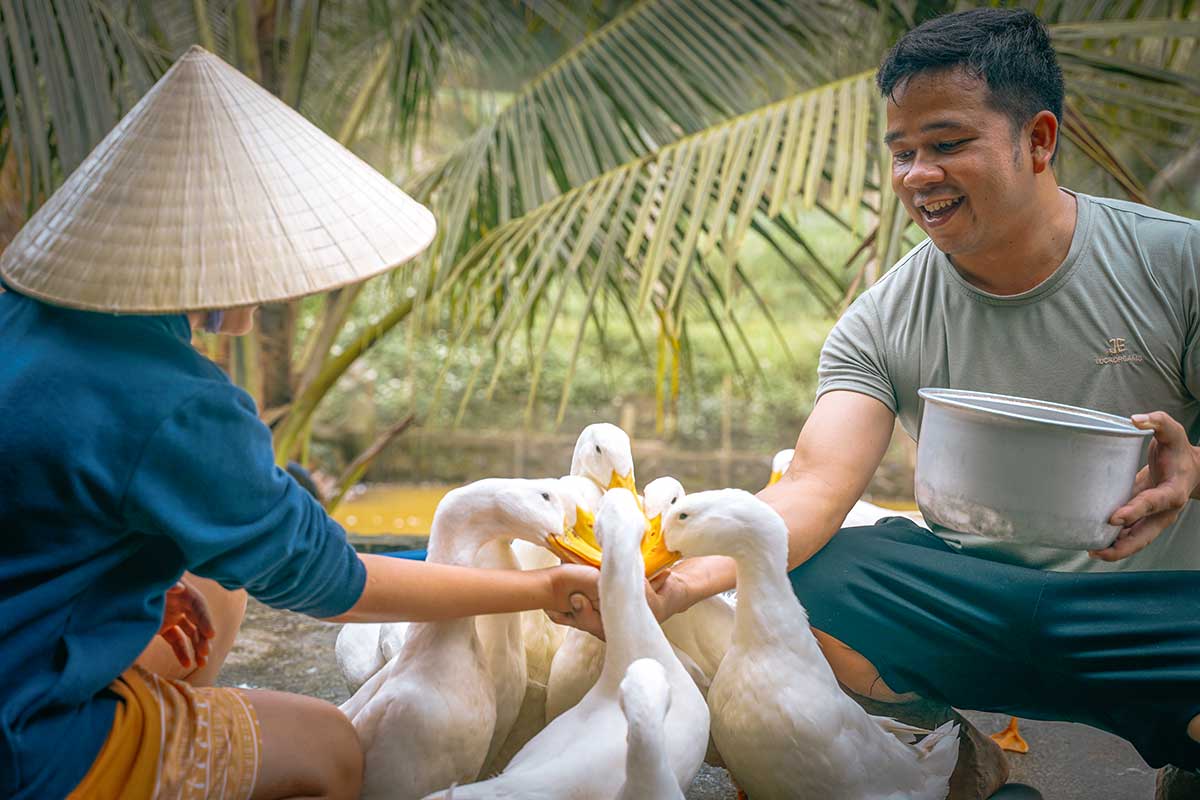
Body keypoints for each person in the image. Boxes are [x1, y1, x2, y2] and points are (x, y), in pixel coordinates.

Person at [0, 47, 600, 800]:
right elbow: (332, 582)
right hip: (22, 733)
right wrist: (543, 589)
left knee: (213, 592)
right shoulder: (178, 404)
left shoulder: (17, 315)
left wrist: (131, 595)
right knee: (328, 748)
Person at [645, 8, 1200, 800]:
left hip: (1152, 618)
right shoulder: (882, 318)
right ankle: (955, 762)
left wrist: (1194, 470)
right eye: (902, 152)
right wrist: (679, 579)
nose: (916, 175)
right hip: (977, 608)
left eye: (946, 145)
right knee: (814, 571)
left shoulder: (1178, 265)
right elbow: (809, 485)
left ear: (1038, 140)